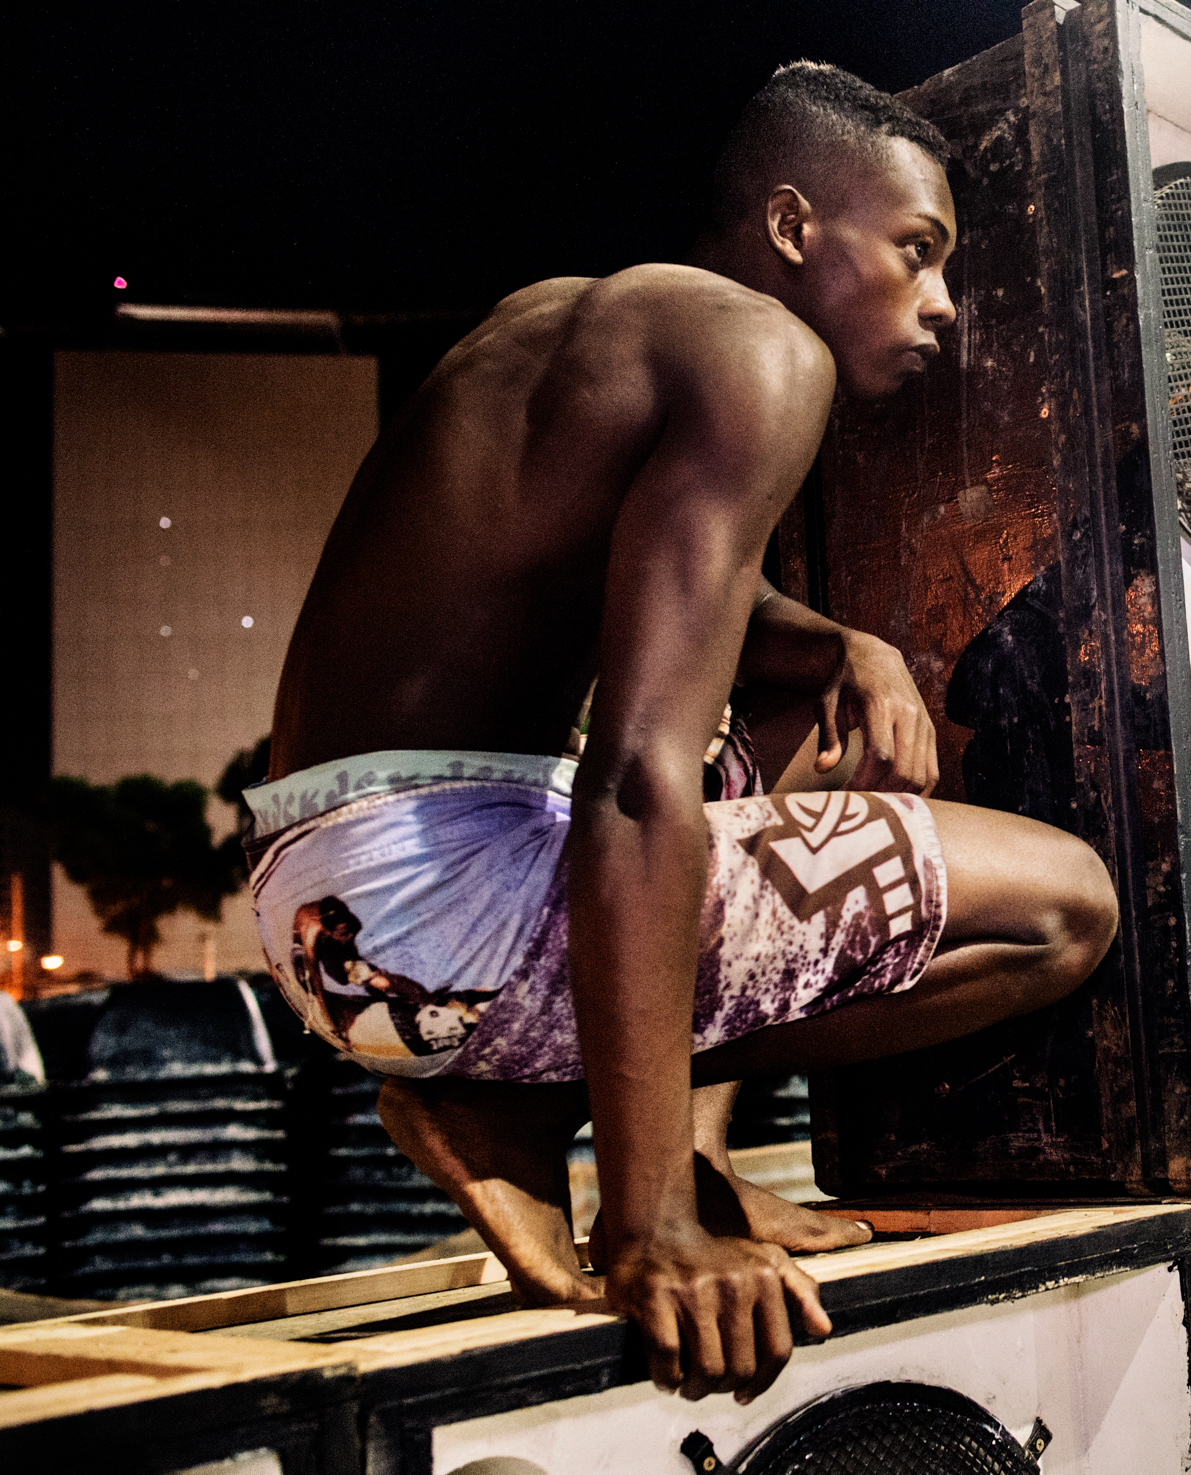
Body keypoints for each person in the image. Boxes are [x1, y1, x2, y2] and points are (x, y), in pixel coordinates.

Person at [246, 61, 1118, 1403]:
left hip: (331, 902)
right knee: (1068, 907)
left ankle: (660, 1146)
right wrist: (647, 1232)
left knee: (811, 719)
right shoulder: (770, 357)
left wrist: (842, 645)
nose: (944, 301)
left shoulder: (579, 324)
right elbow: (641, 778)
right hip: (437, 924)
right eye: (918, 252)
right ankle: (566, 1129)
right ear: (790, 228)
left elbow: (661, 608)